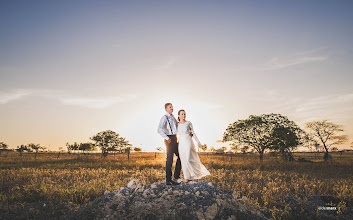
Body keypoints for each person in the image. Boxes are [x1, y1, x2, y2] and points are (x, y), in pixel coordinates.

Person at [177, 109, 211, 183]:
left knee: (188, 158)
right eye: (182, 114)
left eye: (184, 114)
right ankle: (186, 177)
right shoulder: (177, 124)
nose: (183, 115)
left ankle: (193, 175)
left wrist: (198, 142)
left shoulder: (188, 123)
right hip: (181, 143)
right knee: (183, 159)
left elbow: (193, 133)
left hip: (188, 141)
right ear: (179, 115)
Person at [157, 103, 181, 185]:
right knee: (169, 159)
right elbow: (159, 129)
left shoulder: (173, 117)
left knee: (180, 156)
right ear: (166, 109)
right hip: (169, 139)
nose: (172, 108)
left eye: (172, 107)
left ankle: (176, 176)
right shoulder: (164, 118)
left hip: (175, 138)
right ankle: (168, 180)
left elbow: (178, 126)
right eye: (170, 107)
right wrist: (167, 138)